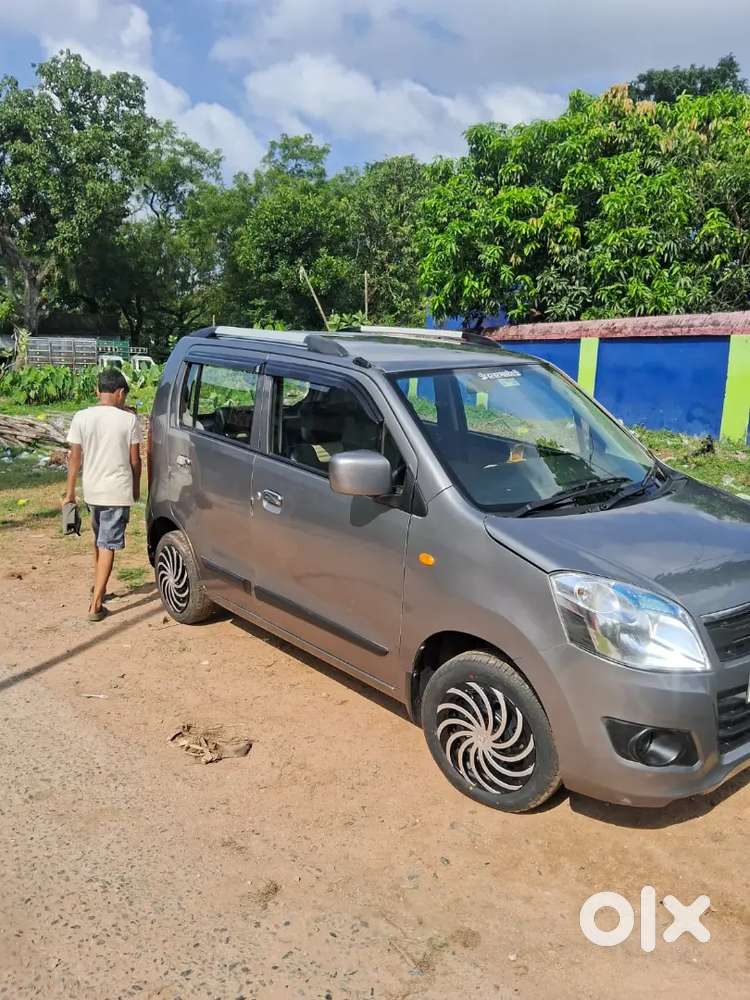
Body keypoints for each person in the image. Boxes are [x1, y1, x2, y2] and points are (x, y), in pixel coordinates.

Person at [63, 367, 142, 621]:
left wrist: (70, 493)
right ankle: (96, 604)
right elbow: (135, 460)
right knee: (108, 544)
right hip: (117, 492)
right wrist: (137, 487)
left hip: (92, 491)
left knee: (99, 539)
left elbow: (74, 457)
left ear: (97, 391)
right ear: (119, 393)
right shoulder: (129, 420)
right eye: (125, 395)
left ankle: (101, 587)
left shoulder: (81, 417)